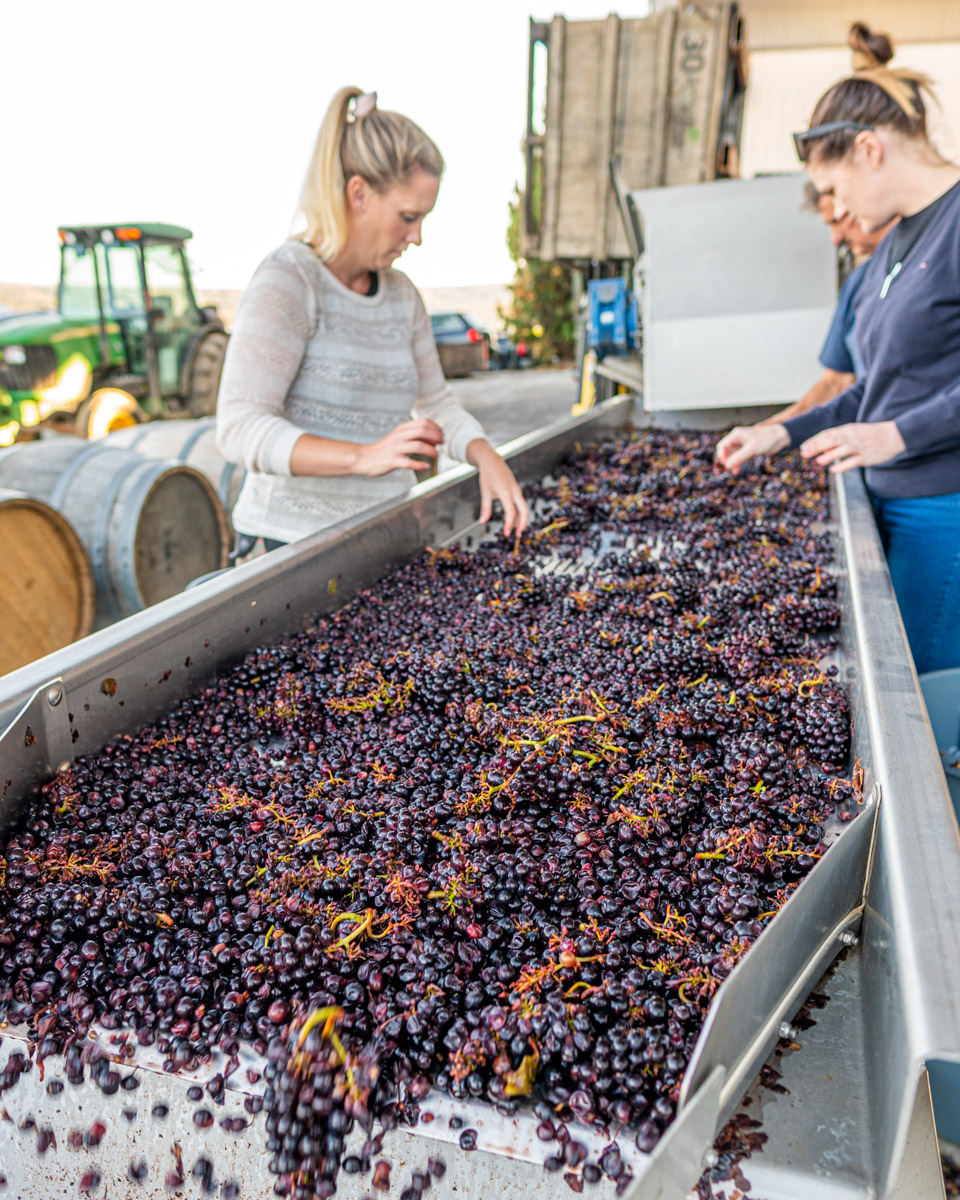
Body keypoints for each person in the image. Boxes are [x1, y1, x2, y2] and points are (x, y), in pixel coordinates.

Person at [716, 23, 960, 674]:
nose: (839, 206)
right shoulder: (902, 239)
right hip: (892, 503)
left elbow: (891, 417)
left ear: (869, 150)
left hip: (945, 513)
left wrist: (898, 435)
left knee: (931, 707)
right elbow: (873, 387)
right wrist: (780, 434)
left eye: (836, 186)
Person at [216, 87, 528, 548]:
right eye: (407, 217)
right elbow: (240, 427)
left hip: (384, 534)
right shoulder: (289, 281)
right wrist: (362, 457)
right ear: (358, 193)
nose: (417, 236)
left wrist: (485, 455)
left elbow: (436, 404)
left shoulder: (402, 297)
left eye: (422, 218)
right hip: (291, 547)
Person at [762, 183, 895, 425]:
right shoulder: (859, 282)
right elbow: (836, 383)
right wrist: (770, 430)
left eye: (838, 220)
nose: (835, 238)